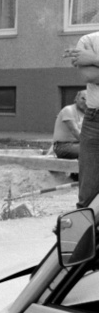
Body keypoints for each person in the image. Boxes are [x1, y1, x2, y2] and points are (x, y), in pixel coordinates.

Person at [70, 35, 99, 207]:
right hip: (94, 120)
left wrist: (94, 59)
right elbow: (89, 75)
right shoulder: (88, 41)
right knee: (88, 189)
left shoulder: (90, 51)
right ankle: (88, 231)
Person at [51, 91, 87, 159]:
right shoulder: (68, 110)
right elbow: (74, 131)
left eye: (88, 100)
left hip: (78, 145)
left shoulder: (87, 114)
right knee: (93, 150)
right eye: (83, 98)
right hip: (63, 146)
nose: (85, 102)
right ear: (76, 99)